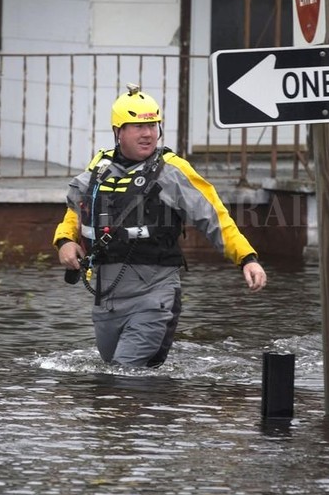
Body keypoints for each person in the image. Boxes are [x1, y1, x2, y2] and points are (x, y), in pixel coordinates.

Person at [53, 83, 267, 368]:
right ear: (119, 132)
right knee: (109, 380)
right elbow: (78, 209)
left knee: (123, 375)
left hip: (154, 297)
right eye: (138, 127)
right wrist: (65, 241)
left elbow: (214, 216)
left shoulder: (172, 171)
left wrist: (247, 259)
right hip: (107, 301)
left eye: (153, 125)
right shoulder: (100, 167)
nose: (148, 134)